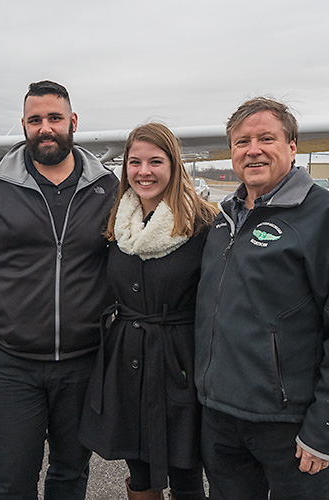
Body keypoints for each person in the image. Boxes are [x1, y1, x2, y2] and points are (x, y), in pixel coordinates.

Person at [194, 97, 329, 500]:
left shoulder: (327, 216)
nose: (252, 149)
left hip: (290, 425)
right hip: (222, 418)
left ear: (292, 146)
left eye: (266, 138)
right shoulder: (222, 220)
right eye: (242, 142)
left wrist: (326, 429)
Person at [0, 80, 118, 500]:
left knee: (70, 473)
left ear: (73, 122)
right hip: (10, 365)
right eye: (35, 120)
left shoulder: (107, 186)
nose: (45, 128)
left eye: (55, 118)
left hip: (83, 364)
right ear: (24, 125)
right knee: (13, 479)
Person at [79, 123, 216, 500]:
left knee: (186, 472)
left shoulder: (202, 224)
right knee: (139, 472)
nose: (144, 171)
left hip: (179, 362)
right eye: (134, 162)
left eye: (155, 161)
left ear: (173, 166)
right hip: (127, 361)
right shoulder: (118, 223)